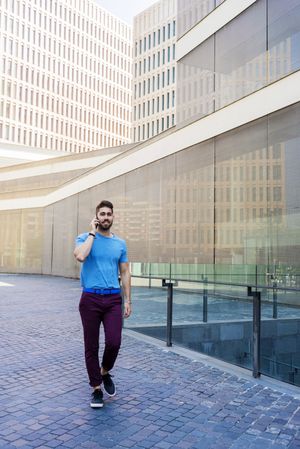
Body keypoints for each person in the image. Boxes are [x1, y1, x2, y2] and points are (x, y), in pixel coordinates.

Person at [74, 200, 131, 408]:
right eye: (102, 214)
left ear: (113, 217)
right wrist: (92, 233)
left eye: (109, 214)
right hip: (90, 299)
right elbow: (80, 255)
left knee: (114, 342)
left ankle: (104, 371)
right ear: (97, 217)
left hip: (113, 299)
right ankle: (96, 389)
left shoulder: (120, 244)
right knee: (91, 346)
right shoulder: (84, 238)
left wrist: (128, 300)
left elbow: (125, 272)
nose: (106, 217)